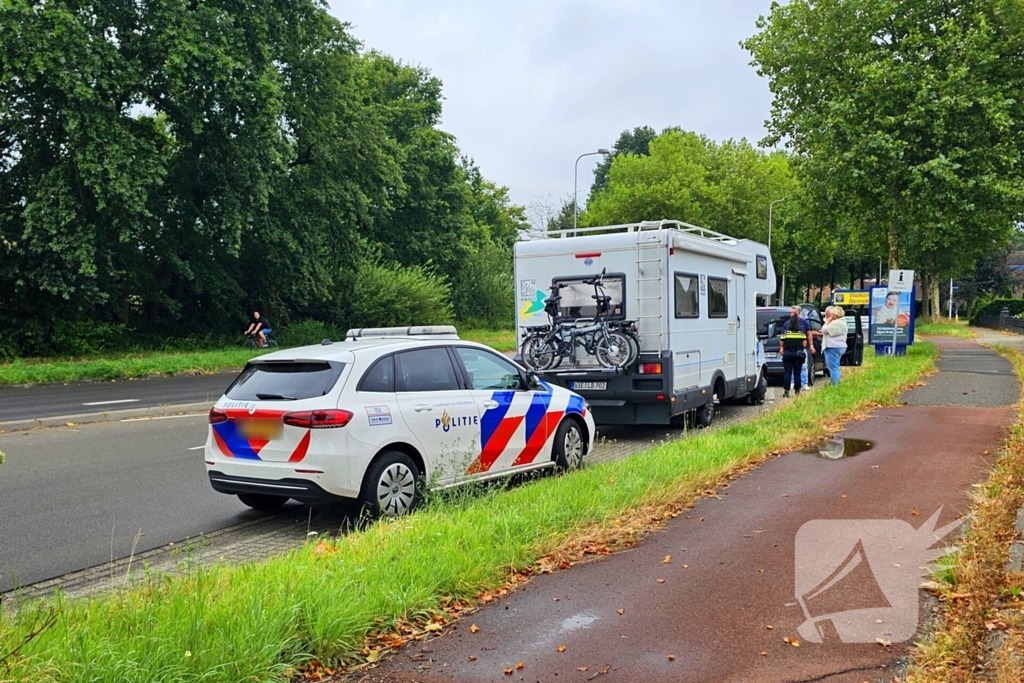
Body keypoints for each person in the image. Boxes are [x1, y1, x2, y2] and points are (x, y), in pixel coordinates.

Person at [778, 305, 811, 397]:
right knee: (797, 373)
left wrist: (782, 348)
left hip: (788, 353)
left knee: (787, 373)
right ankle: (797, 391)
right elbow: (804, 344)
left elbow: (781, 341)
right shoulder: (801, 333)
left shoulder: (786, 333)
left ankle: (786, 391)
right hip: (798, 354)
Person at [813, 306, 848, 386]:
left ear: (835, 315)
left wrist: (827, 321)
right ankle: (837, 382)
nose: (830, 316)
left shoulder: (836, 323)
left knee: (832, 367)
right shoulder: (842, 322)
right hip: (840, 346)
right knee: (836, 366)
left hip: (833, 347)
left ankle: (834, 385)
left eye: (832, 315)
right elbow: (829, 332)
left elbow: (825, 329)